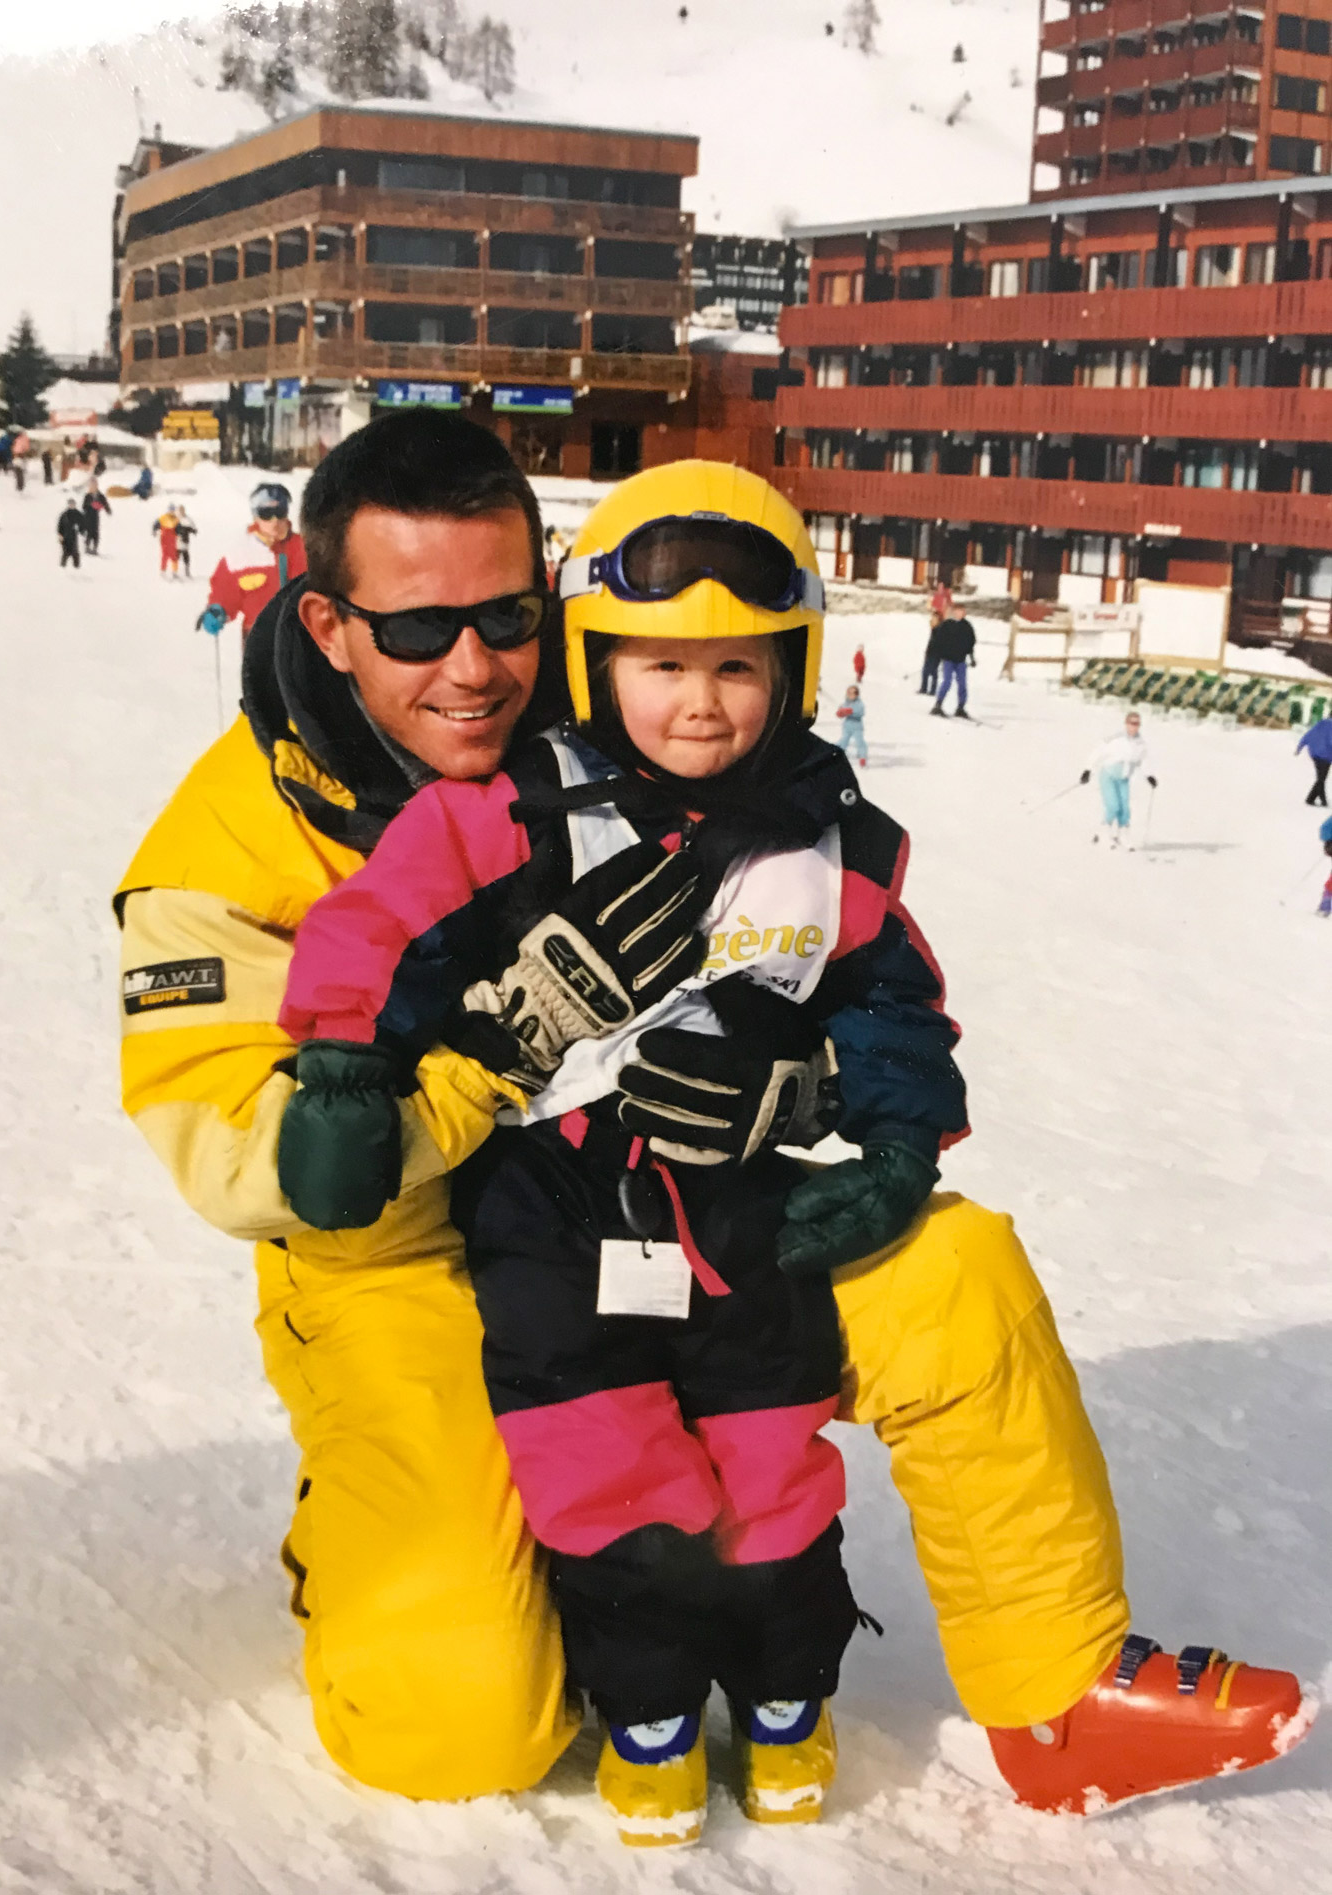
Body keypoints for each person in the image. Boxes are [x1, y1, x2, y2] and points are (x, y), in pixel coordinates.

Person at [115, 410, 1309, 1827]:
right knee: (457, 1727)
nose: (474, 666)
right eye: (422, 627)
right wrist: (502, 1049)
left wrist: (809, 1091)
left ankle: (1059, 1692)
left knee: (946, 1271)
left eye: (505, 614)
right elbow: (265, 1166)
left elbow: (820, 944)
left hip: (658, 1207)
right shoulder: (233, 842)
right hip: (408, 1266)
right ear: (326, 619)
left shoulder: (602, 715)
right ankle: (414, 1536)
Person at [275, 464, 963, 1846]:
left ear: (797, 665)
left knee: (773, 1464)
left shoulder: (835, 844)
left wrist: (885, 1134)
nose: (699, 701)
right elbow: (372, 926)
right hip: (553, 1204)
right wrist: (344, 1065)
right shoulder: (512, 807)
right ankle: (646, 1706)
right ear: (598, 660)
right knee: (608, 1470)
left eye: (738, 666)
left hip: (740, 1206)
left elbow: (898, 998)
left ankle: (783, 1694)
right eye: (660, 663)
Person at [195, 479, 307, 643]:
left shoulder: (305, 548)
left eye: (280, 512)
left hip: (300, 635)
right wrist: (218, 610)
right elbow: (224, 591)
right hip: (258, 637)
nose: (274, 521)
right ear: (256, 516)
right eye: (266, 514)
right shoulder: (242, 555)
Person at [1081, 711, 1156, 848]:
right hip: (1109, 775)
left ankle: (1123, 836)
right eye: (1132, 723)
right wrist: (1088, 769)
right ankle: (1105, 833)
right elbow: (1098, 752)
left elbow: (1142, 760)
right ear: (1126, 724)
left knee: (1125, 809)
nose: (1135, 726)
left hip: (1124, 779)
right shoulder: (1116, 739)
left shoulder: (1140, 743)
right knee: (1113, 806)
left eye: (1137, 723)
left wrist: (1149, 776)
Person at [930, 611, 977, 718]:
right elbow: (938, 639)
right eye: (957, 612)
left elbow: (971, 642)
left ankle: (961, 707)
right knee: (947, 681)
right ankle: (938, 704)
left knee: (962, 683)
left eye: (961, 612)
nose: (959, 614)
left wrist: (972, 658)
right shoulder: (947, 625)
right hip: (948, 659)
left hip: (960, 660)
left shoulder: (967, 626)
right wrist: (939, 654)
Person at [1296, 712, 1332, 807]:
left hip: (1315, 754)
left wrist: (1299, 747)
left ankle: (1310, 799)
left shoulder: (1319, 724)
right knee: (1321, 778)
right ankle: (1323, 801)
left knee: (1321, 778)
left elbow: (1308, 735)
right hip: (1326, 755)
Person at [836, 682, 867, 765]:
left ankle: (862, 757)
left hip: (857, 726)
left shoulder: (859, 703)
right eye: (848, 693)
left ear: (856, 694)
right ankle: (838, 754)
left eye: (852, 693)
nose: (849, 695)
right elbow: (840, 712)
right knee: (844, 740)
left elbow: (861, 712)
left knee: (860, 742)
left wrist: (851, 711)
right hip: (847, 726)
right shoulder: (846, 703)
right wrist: (840, 712)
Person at [81, 481, 111, 555]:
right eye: (92, 486)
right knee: (89, 532)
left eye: (95, 486)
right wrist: (90, 504)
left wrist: (107, 509)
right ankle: (87, 547)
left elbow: (105, 503)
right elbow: (83, 506)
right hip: (88, 516)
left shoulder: (100, 495)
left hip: (95, 516)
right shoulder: (88, 495)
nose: (93, 487)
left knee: (95, 532)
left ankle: (95, 548)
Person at [57, 499, 85, 569]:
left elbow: (83, 523)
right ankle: (62, 567)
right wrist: (60, 535)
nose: (72, 505)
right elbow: (60, 525)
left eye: (73, 504)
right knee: (65, 552)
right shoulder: (64, 515)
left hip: (73, 536)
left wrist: (81, 530)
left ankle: (77, 567)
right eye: (70, 504)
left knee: (74, 552)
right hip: (65, 536)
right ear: (68, 505)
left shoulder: (78, 514)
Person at [155, 506, 180, 578]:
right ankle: (163, 571)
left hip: (172, 539)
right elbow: (156, 525)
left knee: (174, 555)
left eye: (173, 510)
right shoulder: (163, 517)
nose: (172, 512)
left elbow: (178, 528)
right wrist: (155, 530)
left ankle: (174, 571)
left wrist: (179, 533)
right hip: (165, 538)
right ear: (168, 511)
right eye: (171, 510)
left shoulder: (176, 519)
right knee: (165, 555)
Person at [172, 507, 197, 577]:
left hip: (185, 542)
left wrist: (193, 530)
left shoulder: (187, 518)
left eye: (182, 510)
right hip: (178, 542)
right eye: (180, 510)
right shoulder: (176, 519)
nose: (181, 512)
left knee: (186, 558)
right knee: (176, 557)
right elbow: (172, 528)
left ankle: (187, 572)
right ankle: (174, 572)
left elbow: (192, 527)